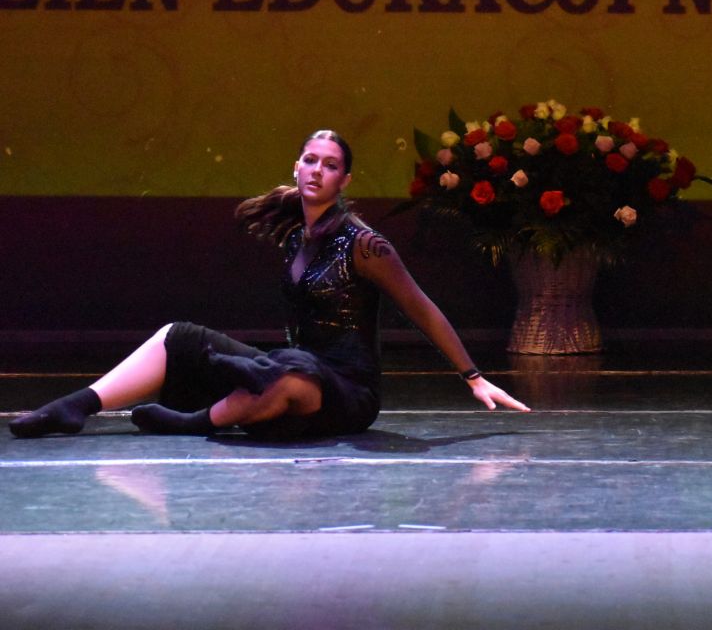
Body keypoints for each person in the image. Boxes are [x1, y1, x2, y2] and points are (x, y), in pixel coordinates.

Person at [10, 130, 529, 440]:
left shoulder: (365, 244)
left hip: (346, 391)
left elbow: (421, 307)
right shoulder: (297, 234)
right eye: (310, 160)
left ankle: (194, 422)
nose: (317, 171)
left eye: (331, 166)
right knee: (179, 336)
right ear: (297, 167)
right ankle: (76, 406)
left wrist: (473, 377)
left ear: (344, 181)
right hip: (296, 364)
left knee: (286, 381)